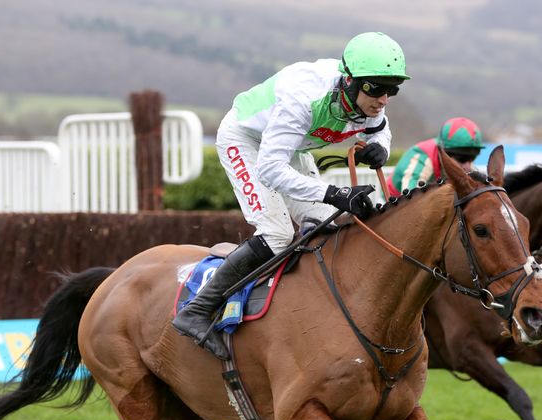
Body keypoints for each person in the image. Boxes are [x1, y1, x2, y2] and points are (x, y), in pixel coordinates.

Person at [172, 32, 411, 359]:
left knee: (323, 223)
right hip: (246, 140)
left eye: (391, 90)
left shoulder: (367, 97)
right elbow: (270, 169)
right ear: (349, 81)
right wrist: (334, 192)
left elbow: (380, 128)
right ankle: (197, 310)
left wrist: (379, 147)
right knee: (277, 234)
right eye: (375, 89)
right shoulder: (304, 97)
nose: (383, 99)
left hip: (290, 148)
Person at [387, 117, 485, 197]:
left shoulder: (465, 164)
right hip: (391, 203)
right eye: (462, 159)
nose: (468, 166)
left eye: (472, 158)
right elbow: (410, 200)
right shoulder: (422, 157)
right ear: (444, 154)